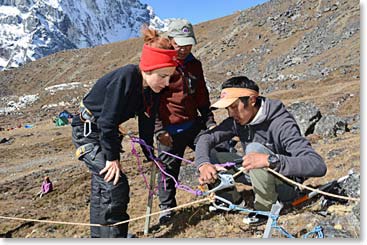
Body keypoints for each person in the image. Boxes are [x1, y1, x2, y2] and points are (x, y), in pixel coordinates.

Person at [71, 27, 178, 238]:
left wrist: (150, 155)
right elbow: (107, 121)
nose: (166, 83)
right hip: (89, 131)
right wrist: (112, 158)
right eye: (163, 76)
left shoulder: (153, 90)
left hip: (103, 132)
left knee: (102, 188)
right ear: (148, 69)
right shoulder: (127, 77)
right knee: (115, 184)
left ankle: (100, 238)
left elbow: (147, 123)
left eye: (170, 77)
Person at [195, 76, 327, 224]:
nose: (231, 114)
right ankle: (230, 201)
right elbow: (205, 139)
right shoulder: (237, 121)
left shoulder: (281, 123)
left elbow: (317, 165)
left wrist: (269, 160)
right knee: (212, 156)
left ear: (252, 100)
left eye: (233, 107)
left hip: (287, 184)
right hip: (258, 174)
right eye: (227, 109)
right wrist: (203, 164)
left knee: (253, 149)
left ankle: (265, 209)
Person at [154, 19, 216, 225]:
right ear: (170, 40)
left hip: (193, 125)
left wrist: (209, 120)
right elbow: (149, 102)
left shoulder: (194, 64)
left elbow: (201, 94)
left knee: (209, 158)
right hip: (168, 130)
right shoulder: (159, 66)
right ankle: (166, 209)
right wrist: (158, 130)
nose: (183, 48)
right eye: (179, 43)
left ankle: (220, 195)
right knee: (167, 170)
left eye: (187, 43)